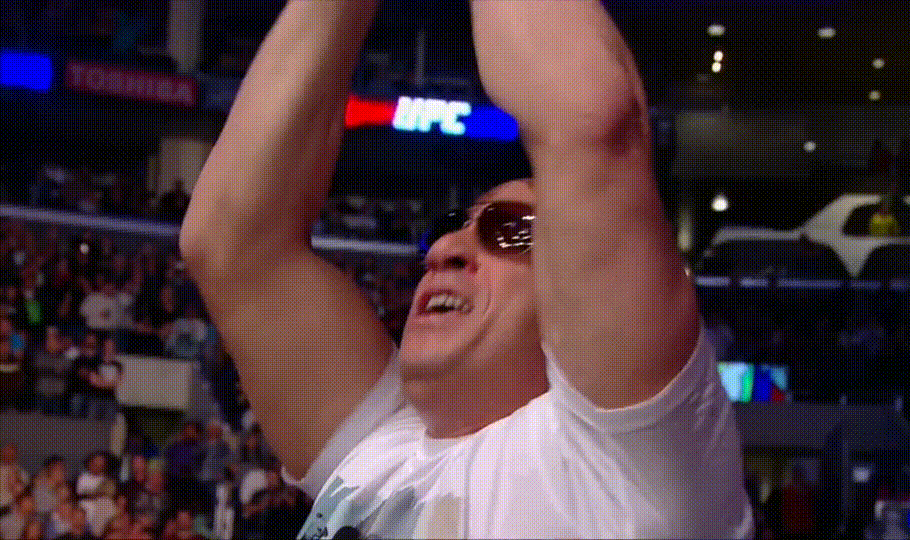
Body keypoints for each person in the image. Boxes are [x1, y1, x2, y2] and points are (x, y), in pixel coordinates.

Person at [180, 1, 753, 538]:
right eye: (451, 224)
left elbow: (589, 120)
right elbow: (231, 244)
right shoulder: (376, 449)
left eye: (507, 230)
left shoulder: (630, 461)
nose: (446, 248)